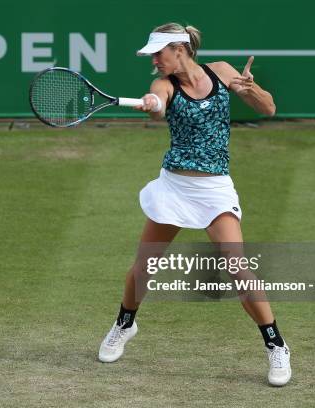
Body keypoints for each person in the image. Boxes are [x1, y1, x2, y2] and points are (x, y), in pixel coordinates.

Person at [97, 23, 291, 387]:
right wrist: (152, 104)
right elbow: (157, 104)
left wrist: (251, 89)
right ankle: (125, 322)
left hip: (215, 190)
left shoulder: (220, 71)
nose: (155, 61)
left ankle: (276, 344)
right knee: (144, 267)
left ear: (179, 49)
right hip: (174, 187)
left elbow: (268, 108)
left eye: (159, 53)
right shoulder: (165, 84)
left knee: (237, 267)